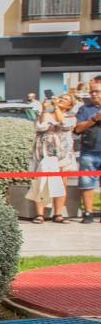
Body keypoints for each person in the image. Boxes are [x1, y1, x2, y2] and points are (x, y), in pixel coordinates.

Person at [30, 99, 71, 223]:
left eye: (64, 100)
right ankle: (40, 214)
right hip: (42, 153)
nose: (58, 101)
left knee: (62, 183)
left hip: (62, 154)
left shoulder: (70, 116)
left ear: (69, 104)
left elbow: (65, 125)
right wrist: (43, 109)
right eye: (59, 99)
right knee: (40, 182)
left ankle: (58, 214)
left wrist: (57, 108)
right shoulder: (44, 114)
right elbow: (40, 126)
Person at [75, 77, 101, 225]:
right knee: (86, 183)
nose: (93, 95)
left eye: (97, 91)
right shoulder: (85, 109)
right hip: (89, 151)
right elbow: (78, 128)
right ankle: (88, 212)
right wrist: (93, 120)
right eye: (91, 92)